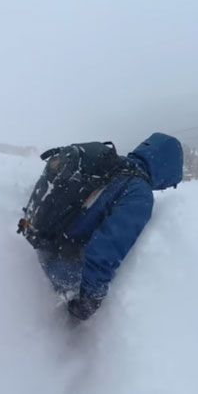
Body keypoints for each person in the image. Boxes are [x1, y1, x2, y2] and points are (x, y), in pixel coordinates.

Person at [34, 133, 183, 321]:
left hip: (44, 241)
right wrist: (90, 297)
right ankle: (62, 335)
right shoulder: (140, 192)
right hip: (62, 265)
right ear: (166, 170)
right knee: (74, 313)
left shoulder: (113, 164)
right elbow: (107, 247)